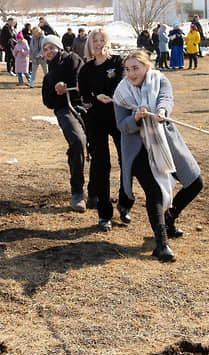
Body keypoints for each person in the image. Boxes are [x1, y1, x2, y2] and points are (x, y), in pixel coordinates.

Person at [113, 50, 203, 262]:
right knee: (155, 191)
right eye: (128, 69)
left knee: (195, 182)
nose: (131, 73)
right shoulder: (121, 93)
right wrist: (135, 118)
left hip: (165, 142)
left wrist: (162, 111)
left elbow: (165, 99)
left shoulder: (160, 81)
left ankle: (169, 219)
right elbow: (122, 126)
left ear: (147, 67)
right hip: (137, 150)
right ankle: (161, 244)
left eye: (136, 68)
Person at [78, 29, 126, 230]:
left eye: (102, 40)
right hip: (96, 120)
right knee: (101, 165)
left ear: (108, 42)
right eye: (94, 41)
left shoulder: (118, 62)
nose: (98, 44)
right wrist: (96, 98)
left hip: (118, 118)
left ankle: (125, 203)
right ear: (90, 44)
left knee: (126, 160)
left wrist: (110, 95)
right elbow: (84, 97)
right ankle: (104, 213)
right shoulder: (86, 69)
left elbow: (123, 84)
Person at [41, 35, 87, 212]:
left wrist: (69, 85)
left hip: (84, 105)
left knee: (97, 144)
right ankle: (77, 192)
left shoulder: (73, 59)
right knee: (77, 142)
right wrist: (55, 91)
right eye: (45, 49)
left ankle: (96, 191)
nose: (49, 51)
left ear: (59, 47)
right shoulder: (48, 75)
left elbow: (81, 79)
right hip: (64, 109)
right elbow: (48, 102)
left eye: (51, 47)